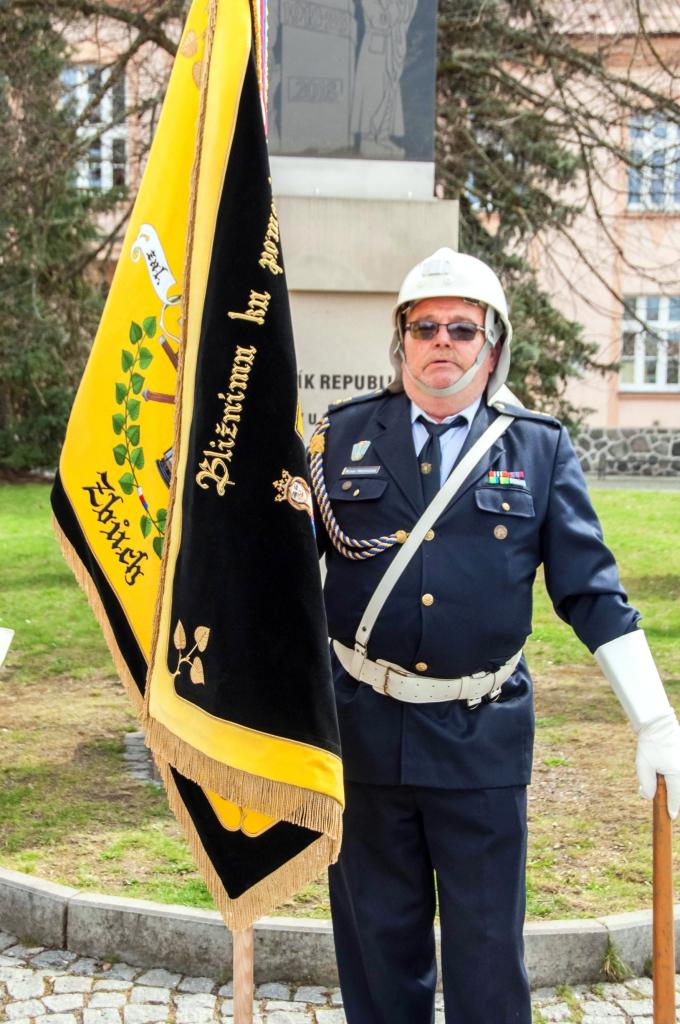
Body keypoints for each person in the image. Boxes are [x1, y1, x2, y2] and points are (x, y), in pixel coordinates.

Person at [308, 247, 680, 1024]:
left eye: (462, 328)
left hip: (480, 740)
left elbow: (592, 592)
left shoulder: (538, 448)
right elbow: (274, 573)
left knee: (485, 962)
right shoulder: (340, 437)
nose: (441, 342)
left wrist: (653, 717)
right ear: (401, 340)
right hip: (364, 734)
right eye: (424, 327)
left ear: (493, 344)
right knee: (378, 957)